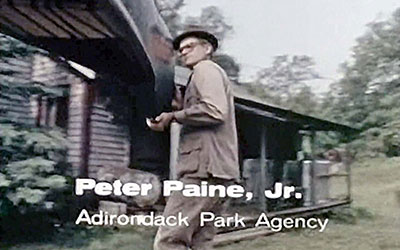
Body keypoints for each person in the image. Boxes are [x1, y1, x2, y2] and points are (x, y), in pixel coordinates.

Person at [149, 30, 240, 250]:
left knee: (169, 240)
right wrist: (182, 108)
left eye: (189, 47)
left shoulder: (205, 69)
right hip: (220, 174)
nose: (183, 53)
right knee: (200, 242)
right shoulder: (207, 75)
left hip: (203, 172)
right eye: (180, 50)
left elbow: (215, 111)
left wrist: (174, 116)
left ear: (207, 49)